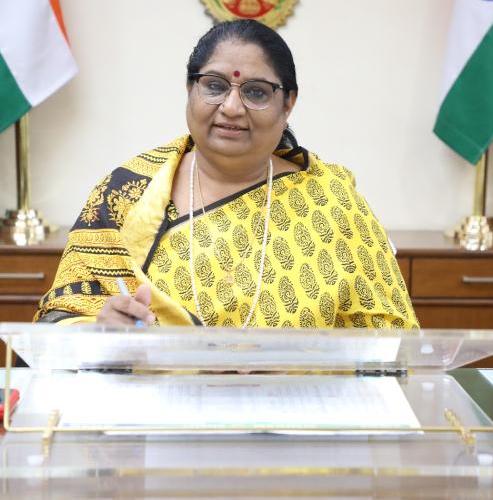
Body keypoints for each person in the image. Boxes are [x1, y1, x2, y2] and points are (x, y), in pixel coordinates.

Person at [36, 19, 418, 330]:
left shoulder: (333, 202)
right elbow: (58, 320)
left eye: (256, 92)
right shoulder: (128, 191)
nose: (232, 107)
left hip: (295, 399)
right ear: (190, 88)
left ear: (288, 103)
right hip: (156, 401)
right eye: (215, 86)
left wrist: (294, 361)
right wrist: (98, 331)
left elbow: (392, 341)